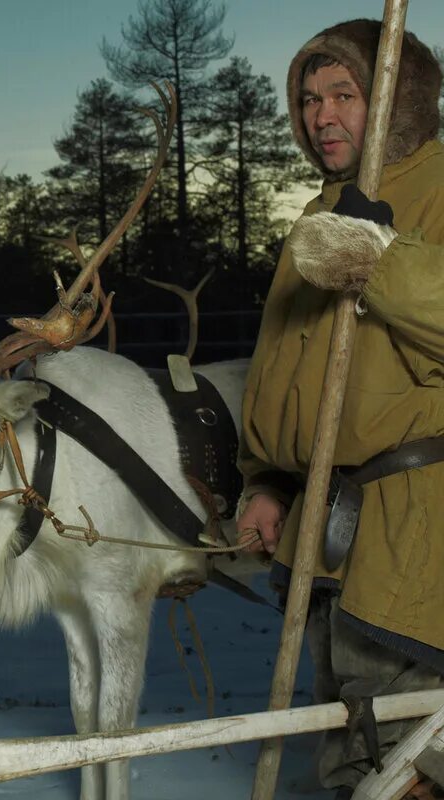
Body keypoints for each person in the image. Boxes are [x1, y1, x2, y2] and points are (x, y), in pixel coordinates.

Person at [237, 19, 444, 800]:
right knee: (348, 753)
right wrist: (269, 483)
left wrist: (383, 262)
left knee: (406, 761)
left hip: (416, 529)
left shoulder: (440, 189)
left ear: (402, 98)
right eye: (308, 98)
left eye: (344, 95)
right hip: (328, 532)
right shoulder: (320, 213)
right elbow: (287, 373)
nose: (321, 115)